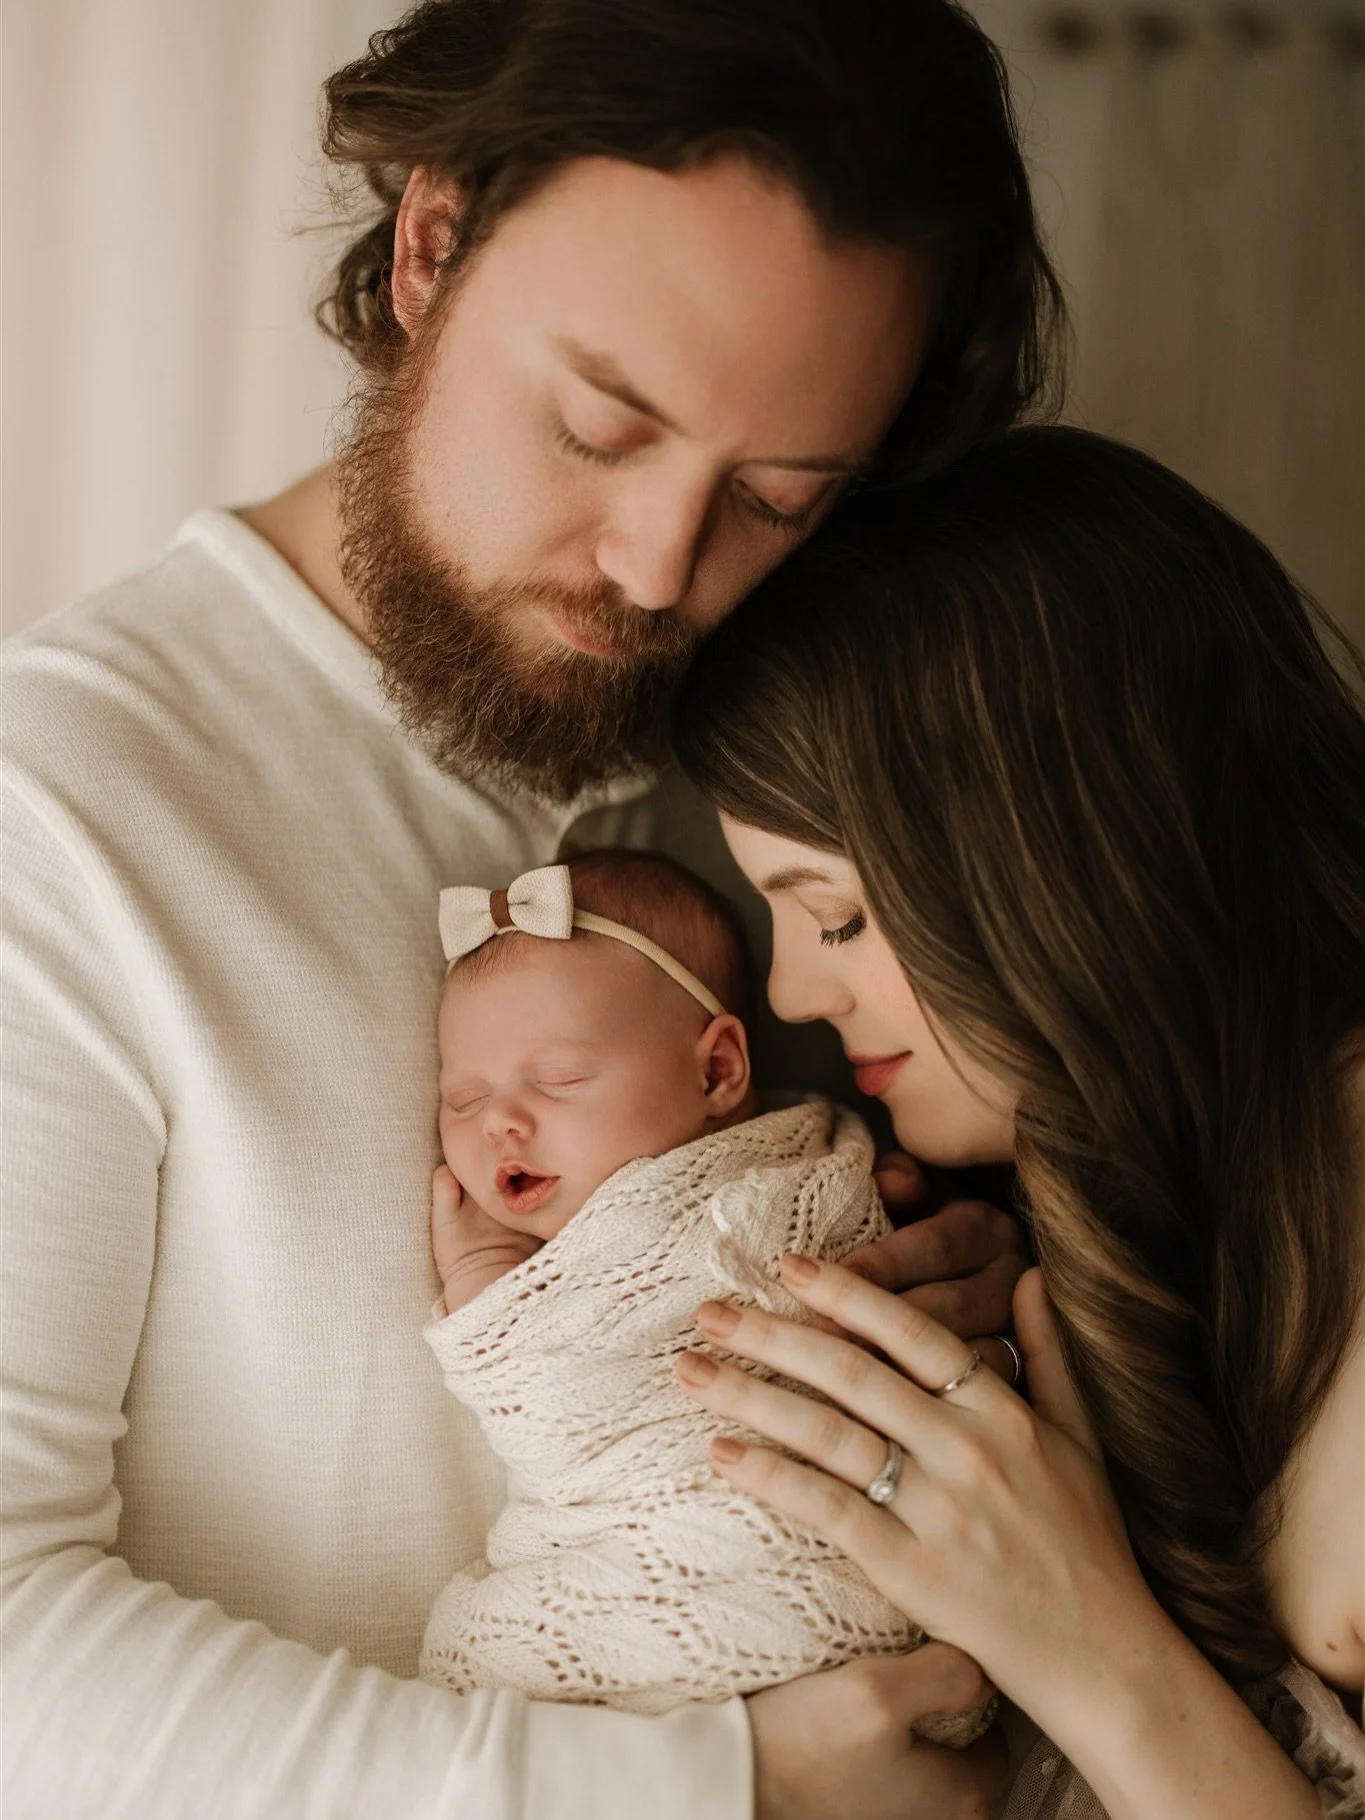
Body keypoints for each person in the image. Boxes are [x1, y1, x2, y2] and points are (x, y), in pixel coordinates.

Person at [0, 3, 1058, 1815]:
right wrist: (722, 1788)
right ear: (430, 244)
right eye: (598, 426)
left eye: (773, 501)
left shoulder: (772, 787)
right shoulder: (60, 815)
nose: (656, 569)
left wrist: (946, 1311)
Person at [668, 425, 1365, 1819]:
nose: (793, 991)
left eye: (836, 916)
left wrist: (1085, 1643)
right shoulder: (1103, 1229)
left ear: (1060, 857)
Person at [422, 847, 995, 1727]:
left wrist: (480, 1285)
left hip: (804, 1556)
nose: (499, 1120)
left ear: (718, 1072)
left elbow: (558, 1402)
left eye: (559, 1080)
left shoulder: (806, 1179)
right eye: (462, 1099)